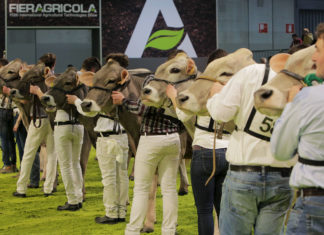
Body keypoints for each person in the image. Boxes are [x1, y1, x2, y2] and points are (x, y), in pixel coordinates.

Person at [206, 54, 296, 234]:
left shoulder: (250, 73)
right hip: (283, 176)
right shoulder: (302, 83)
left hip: (244, 172)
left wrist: (215, 95)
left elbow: (221, 113)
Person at [166, 48, 229, 235]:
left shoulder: (203, 87)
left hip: (204, 151)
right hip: (229, 151)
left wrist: (172, 97)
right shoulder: (235, 87)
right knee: (223, 209)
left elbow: (183, 116)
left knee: (204, 210)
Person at [271, 22, 324, 235]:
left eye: (318, 50)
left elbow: (281, 150)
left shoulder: (309, 98)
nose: (313, 57)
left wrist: (292, 105)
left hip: (315, 203)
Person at [112, 76, 182, 235]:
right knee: (169, 189)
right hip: (173, 138)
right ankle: (169, 230)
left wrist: (123, 101)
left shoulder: (151, 83)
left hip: (151, 139)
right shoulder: (171, 88)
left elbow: (142, 108)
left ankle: (132, 230)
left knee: (141, 189)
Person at [67, 56, 129, 221]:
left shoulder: (105, 88)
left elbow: (90, 111)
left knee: (109, 178)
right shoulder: (127, 89)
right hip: (122, 136)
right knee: (121, 176)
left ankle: (111, 212)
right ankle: (121, 212)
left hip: (107, 137)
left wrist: (76, 102)